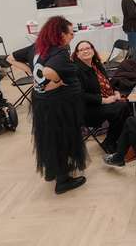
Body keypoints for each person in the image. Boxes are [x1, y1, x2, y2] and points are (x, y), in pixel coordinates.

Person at [8, 16, 87, 195]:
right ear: (60, 34)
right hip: (57, 105)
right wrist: (57, 80)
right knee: (61, 139)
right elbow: (49, 71)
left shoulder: (37, 47)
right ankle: (63, 181)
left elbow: (10, 58)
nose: (72, 36)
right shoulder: (58, 51)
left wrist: (29, 70)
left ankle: (55, 172)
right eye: (70, 33)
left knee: (50, 139)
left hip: (42, 102)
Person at [72, 40, 129, 154]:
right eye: (82, 50)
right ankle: (110, 142)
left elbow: (107, 83)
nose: (86, 51)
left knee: (127, 104)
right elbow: (79, 95)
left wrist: (115, 92)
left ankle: (116, 140)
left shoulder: (97, 65)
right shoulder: (76, 70)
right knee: (120, 108)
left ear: (93, 50)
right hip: (87, 109)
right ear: (77, 54)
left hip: (103, 102)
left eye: (88, 48)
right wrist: (104, 100)